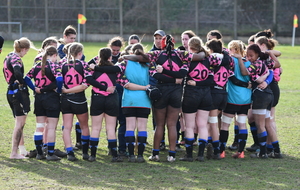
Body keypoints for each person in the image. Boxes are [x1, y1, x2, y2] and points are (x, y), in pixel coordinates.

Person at [179, 36, 219, 162]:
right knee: (202, 125)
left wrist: (195, 83)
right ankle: (201, 154)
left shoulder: (189, 59)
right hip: (206, 95)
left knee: (189, 126)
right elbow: (211, 80)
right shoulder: (209, 59)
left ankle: (189, 155)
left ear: (190, 47)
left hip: (191, 94)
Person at [238, 44, 280, 158]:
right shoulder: (265, 62)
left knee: (260, 125)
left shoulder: (255, 64)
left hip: (260, 96)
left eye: (251, 55)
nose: (249, 57)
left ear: (257, 54)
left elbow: (244, 72)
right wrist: (271, 55)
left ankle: (262, 153)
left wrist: (239, 60)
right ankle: (276, 151)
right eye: (247, 55)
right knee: (267, 125)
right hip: (269, 95)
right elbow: (277, 64)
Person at [24, 46, 63, 161]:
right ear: (55, 55)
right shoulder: (54, 65)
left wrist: (35, 88)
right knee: (51, 127)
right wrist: (59, 90)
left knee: (39, 127)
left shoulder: (37, 65)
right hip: (51, 98)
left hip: (39, 99)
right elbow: (59, 80)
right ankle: (50, 154)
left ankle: (39, 153)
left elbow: (26, 78)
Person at [86, 47, 123, 162]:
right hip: (111, 98)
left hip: (97, 98)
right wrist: (107, 88)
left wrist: (96, 67)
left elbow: (89, 80)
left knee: (96, 128)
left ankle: (92, 155)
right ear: (110, 57)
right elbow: (118, 70)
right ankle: (114, 156)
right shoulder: (115, 69)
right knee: (111, 128)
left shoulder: (93, 69)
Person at [3, 37, 33, 159]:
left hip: (10, 91)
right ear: (24, 49)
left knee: (19, 122)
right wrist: (21, 82)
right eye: (26, 51)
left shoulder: (8, 56)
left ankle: (21, 150)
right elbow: (16, 70)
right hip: (17, 93)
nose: (26, 54)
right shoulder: (16, 58)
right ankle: (14, 153)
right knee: (20, 123)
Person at [60, 42, 90, 161]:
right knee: (84, 126)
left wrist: (66, 91)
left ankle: (70, 153)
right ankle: (85, 153)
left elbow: (58, 82)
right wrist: (71, 91)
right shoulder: (83, 64)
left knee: (67, 127)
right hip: (79, 99)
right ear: (80, 53)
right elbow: (84, 85)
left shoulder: (61, 64)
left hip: (65, 100)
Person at [57, 25, 84, 150]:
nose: (73, 41)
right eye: (71, 38)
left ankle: (78, 142)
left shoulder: (78, 52)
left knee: (77, 121)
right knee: (68, 123)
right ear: (65, 37)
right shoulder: (60, 51)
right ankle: (68, 145)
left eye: (74, 38)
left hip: (71, 92)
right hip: (71, 94)